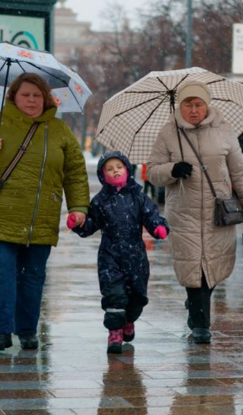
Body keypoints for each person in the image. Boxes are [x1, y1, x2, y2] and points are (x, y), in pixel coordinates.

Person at [0, 72, 90, 351]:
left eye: (36, 95)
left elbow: (75, 172)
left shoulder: (59, 131)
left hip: (40, 218)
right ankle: (1, 331)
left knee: (32, 277)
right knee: (1, 272)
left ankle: (28, 330)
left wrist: (79, 207)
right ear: (13, 97)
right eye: (25, 95)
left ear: (46, 98)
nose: (31, 100)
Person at [146, 81, 243, 344]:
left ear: (207, 105)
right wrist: (173, 170)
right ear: (180, 107)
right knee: (192, 266)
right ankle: (201, 324)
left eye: (198, 104)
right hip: (183, 214)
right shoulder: (168, 133)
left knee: (213, 265)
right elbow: (153, 171)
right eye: (188, 105)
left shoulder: (224, 131)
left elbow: (240, 172)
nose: (194, 110)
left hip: (218, 213)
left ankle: (196, 306)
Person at [69, 151, 168, 354]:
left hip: (136, 257)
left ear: (127, 170)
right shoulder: (100, 200)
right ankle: (114, 331)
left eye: (119, 167)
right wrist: (78, 224)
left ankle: (129, 320)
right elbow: (90, 225)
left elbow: (151, 215)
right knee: (114, 295)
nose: (115, 171)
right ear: (103, 174)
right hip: (110, 256)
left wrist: (158, 227)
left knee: (137, 295)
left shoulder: (139, 197)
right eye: (110, 169)